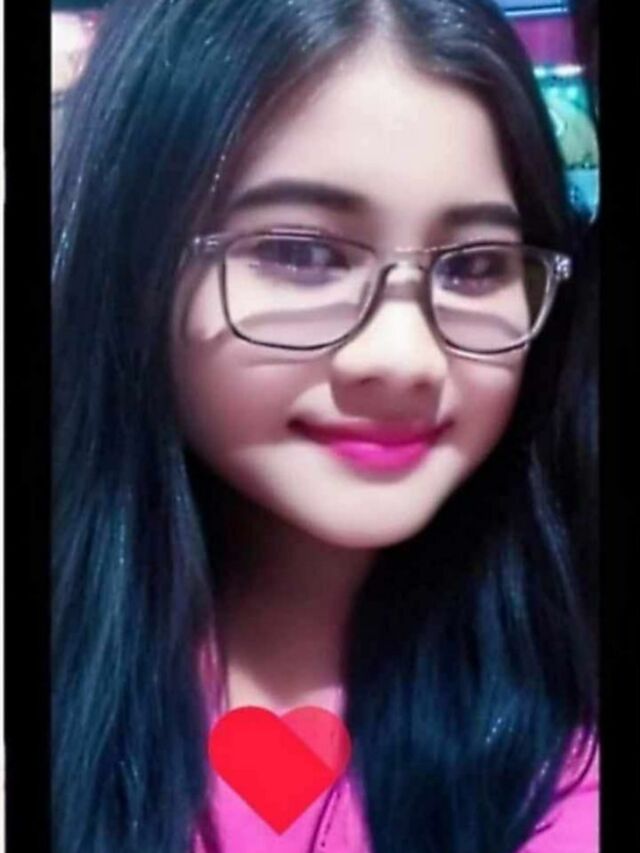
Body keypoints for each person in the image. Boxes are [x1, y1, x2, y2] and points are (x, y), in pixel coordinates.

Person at [52, 1, 599, 852]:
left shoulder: (563, 724)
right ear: (135, 263)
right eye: (299, 252)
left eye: (475, 266)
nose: (406, 358)